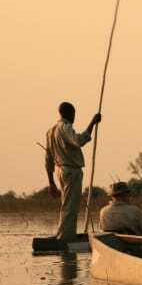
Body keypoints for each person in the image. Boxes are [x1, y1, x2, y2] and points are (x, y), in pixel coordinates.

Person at [44, 102, 102, 241]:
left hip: (61, 171)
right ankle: (66, 239)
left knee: (66, 205)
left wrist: (51, 182)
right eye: (74, 113)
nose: (74, 117)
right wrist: (92, 123)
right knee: (70, 207)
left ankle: (62, 235)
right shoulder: (65, 127)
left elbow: (48, 159)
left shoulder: (50, 131)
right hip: (71, 171)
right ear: (70, 113)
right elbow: (79, 140)